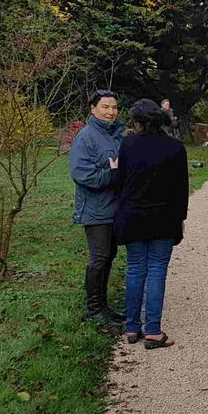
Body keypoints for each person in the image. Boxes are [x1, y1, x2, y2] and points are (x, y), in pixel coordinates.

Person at [114, 99, 189, 349]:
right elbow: (182, 190)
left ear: (137, 121)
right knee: (157, 270)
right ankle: (154, 330)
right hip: (164, 218)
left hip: (133, 215)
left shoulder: (127, 144)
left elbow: (120, 182)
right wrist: (180, 220)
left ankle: (132, 328)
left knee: (135, 269)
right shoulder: (176, 147)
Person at [70, 90, 125, 326]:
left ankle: (103, 307)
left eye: (114, 107)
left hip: (115, 207)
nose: (111, 112)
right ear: (93, 109)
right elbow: (82, 174)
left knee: (109, 255)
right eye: (105, 107)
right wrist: (112, 173)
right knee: (99, 257)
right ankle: (93, 309)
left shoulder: (116, 136)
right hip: (96, 208)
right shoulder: (86, 137)